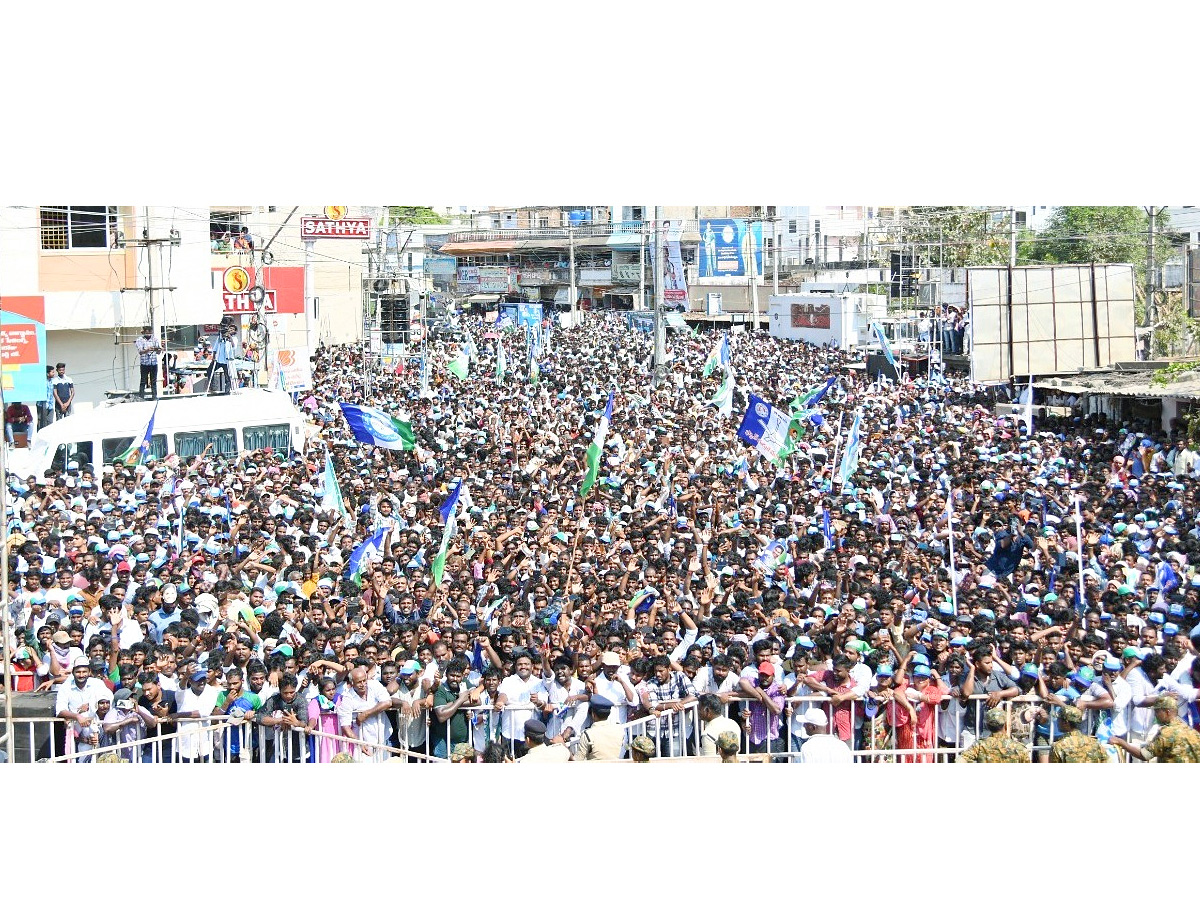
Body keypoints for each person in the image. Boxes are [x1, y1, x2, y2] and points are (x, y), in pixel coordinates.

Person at [1110, 695, 1200, 763]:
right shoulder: (1192, 732)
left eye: (1157, 711)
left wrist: (1121, 742)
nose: (1155, 715)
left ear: (1167, 712)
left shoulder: (1166, 733)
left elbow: (1144, 755)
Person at [959, 707, 1030, 763]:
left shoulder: (980, 746)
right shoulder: (1019, 748)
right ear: (1005, 725)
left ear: (987, 725)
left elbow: (961, 760)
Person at [572, 694, 623, 761]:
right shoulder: (619, 730)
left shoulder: (588, 734)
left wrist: (563, 746)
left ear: (593, 714)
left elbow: (576, 761)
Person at [697, 692, 743, 757]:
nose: (698, 712)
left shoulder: (708, 734)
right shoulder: (733, 724)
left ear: (707, 711)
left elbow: (709, 762)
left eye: (699, 709)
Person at [134, 325, 162, 400]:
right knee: (143, 381)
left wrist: (159, 349)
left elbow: (158, 352)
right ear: (143, 332)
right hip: (144, 364)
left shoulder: (155, 339)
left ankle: (154, 396)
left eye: (150, 332)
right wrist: (147, 350)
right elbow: (140, 352)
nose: (149, 334)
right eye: (147, 332)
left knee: (153, 381)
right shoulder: (139, 340)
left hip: (153, 363)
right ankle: (141, 397)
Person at [207, 328, 236, 395]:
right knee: (209, 370)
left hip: (227, 360)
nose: (223, 335)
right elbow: (215, 349)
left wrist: (230, 338)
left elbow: (234, 346)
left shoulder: (232, 339)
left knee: (227, 376)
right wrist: (213, 359)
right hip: (219, 360)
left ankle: (227, 391)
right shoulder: (219, 338)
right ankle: (212, 386)